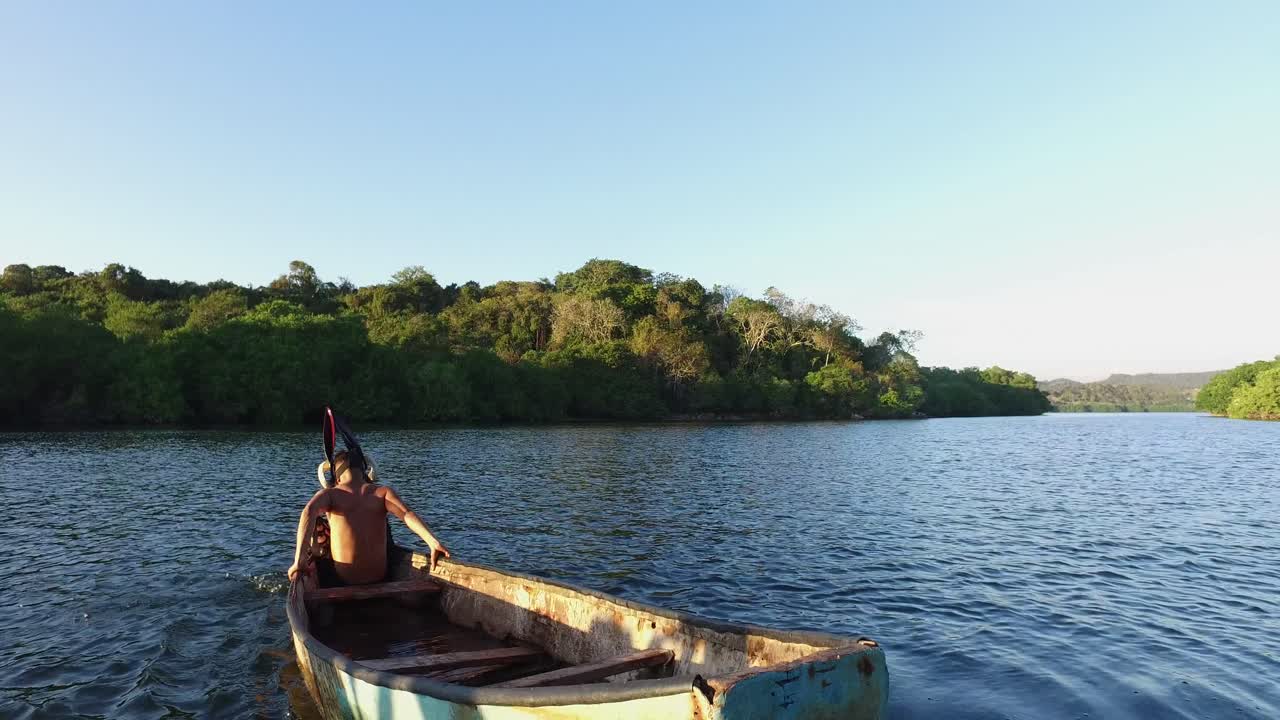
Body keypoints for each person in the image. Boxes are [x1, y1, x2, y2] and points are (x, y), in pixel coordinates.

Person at [288, 449, 450, 586]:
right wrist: (432, 542)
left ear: (337, 479)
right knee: (383, 518)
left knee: (316, 521)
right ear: (364, 473)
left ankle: (305, 563)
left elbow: (308, 512)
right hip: (379, 578)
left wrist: (299, 560)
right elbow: (407, 514)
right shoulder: (382, 492)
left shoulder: (331, 494)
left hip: (343, 580)